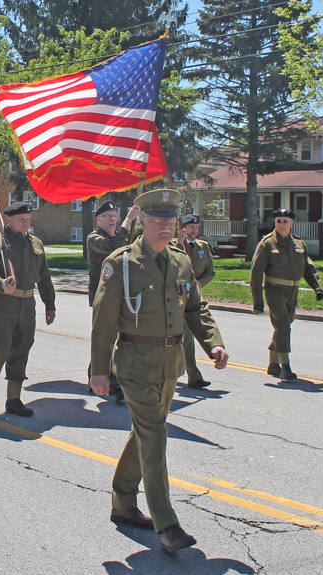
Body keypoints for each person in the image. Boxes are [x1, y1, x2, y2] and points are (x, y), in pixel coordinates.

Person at [89, 189, 228, 553]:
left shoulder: (181, 261)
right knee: (155, 438)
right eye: (158, 219)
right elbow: (103, 322)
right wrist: (99, 371)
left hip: (171, 366)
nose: (167, 225)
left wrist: (212, 343)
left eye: (172, 220)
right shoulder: (120, 263)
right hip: (134, 366)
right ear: (143, 221)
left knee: (145, 434)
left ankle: (122, 502)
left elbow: (196, 309)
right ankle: (167, 526)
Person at [0, 201, 56, 417]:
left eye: (28, 219)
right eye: (21, 219)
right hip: (1, 304)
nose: (26, 223)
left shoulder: (36, 244)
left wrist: (50, 304)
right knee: (2, 347)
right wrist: (0, 282)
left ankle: (13, 398)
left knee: (21, 349)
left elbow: (45, 278)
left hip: (27, 306)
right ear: (9, 220)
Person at [250, 208, 323, 380]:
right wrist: (258, 301)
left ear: (292, 223)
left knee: (283, 327)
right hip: (274, 289)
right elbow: (256, 274)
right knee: (283, 325)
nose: (282, 224)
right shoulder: (267, 244)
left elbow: (308, 267)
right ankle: (286, 367)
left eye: (285, 221)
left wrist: (317, 287)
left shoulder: (298, 244)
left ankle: (273, 364)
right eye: (278, 221)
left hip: (293, 290)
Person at [86, 200, 141, 401]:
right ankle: (99, 377)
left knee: (119, 338)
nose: (112, 219)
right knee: (104, 337)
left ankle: (113, 379)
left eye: (115, 216)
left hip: (122, 293)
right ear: (98, 219)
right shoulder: (94, 238)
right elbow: (112, 246)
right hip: (102, 296)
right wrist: (128, 220)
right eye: (108, 216)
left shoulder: (123, 237)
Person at [176, 213, 216, 388]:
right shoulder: (173, 245)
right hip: (177, 298)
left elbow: (210, 272)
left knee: (187, 336)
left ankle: (191, 375)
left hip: (194, 298)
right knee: (185, 336)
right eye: (191, 227)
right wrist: (178, 243)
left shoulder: (203, 247)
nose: (195, 230)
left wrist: (200, 283)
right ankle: (193, 376)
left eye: (197, 227)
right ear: (183, 228)